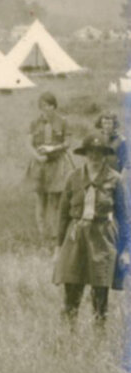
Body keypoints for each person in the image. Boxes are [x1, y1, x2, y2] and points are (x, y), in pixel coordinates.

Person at [55, 137, 124, 326]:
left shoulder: (115, 179)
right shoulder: (73, 177)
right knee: (72, 286)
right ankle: (68, 332)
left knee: (100, 288)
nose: (95, 157)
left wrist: (126, 249)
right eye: (91, 152)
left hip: (103, 236)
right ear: (85, 154)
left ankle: (99, 332)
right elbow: (63, 215)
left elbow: (124, 216)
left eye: (99, 153)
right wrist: (58, 247)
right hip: (76, 236)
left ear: (105, 156)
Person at [26, 93, 74, 247]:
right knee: (40, 199)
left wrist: (53, 148)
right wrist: (37, 157)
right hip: (39, 165)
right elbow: (29, 144)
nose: (45, 109)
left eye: (48, 105)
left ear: (54, 106)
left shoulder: (63, 122)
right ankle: (42, 235)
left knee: (55, 199)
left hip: (57, 164)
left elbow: (67, 143)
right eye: (42, 106)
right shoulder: (34, 122)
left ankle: (55, 235)